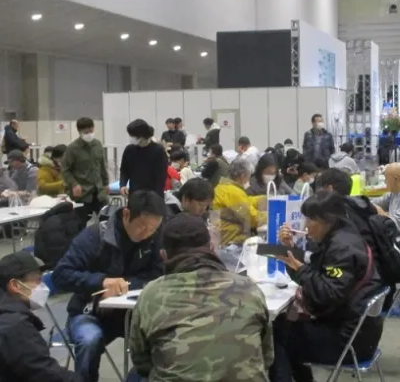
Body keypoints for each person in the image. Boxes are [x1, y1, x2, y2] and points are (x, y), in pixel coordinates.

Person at [128, 214, 272, 382]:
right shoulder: (248, 289)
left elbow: (141, 361)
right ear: (211, 247)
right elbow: (266, 356)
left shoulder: (151, 295)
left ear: (163, 255)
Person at [270, 190, 384, 382]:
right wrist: (292, 251)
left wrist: (300, 269)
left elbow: (328, 293)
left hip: (349, 341)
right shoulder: (343, 236)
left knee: (275, 334)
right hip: (357, 329)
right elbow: (317, 278)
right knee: (283, 324)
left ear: (328, 220)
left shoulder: (342, 248)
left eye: (310, 219)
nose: (306, 225)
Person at [52, 191, 166, 382]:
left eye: (153, 228)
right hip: (90, 311)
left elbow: (157, 275)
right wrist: (101, 282)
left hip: (134, 315)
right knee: (89, 340)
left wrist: (124, 284)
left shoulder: (153, 239)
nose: (147, 233)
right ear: (126, 214)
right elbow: (61, 274)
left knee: (162, 340)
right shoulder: (95, 236)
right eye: (142, 227)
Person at [0, 251, 81, 381]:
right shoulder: (16, 325)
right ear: (15, 285)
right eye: (37, 280)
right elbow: (44, 373)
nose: (43, 287)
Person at [62, 117, 109, 222]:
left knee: (106, 221)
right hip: (82, 194)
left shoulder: (98, 145)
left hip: (99, 192)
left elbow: (102, 165)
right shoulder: (72, 148)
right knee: (79, 223)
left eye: (91, 131)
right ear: (80, 132)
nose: (89, 134)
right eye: (86, 132)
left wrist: (106, 183)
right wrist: (74, 184)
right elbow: (65, 170)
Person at [213, 157, 263, 246]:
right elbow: (252, 218)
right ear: (243, 176)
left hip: (222, 238)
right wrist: (270, 215)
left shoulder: (223, 186)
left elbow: (244, 201)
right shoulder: (232, 191)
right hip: (230, 242)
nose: (249, 180)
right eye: (249, 176)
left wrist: (263, 199)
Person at [120, 119, 169, 199]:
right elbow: (124, 171)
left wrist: (156, 198)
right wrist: (122, 185)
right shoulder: (129, 150)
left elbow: (161, 177)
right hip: (134, 195)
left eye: (132, 135)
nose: (131, 138)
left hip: (154, 195)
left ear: (141, 135)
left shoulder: (158, 150)